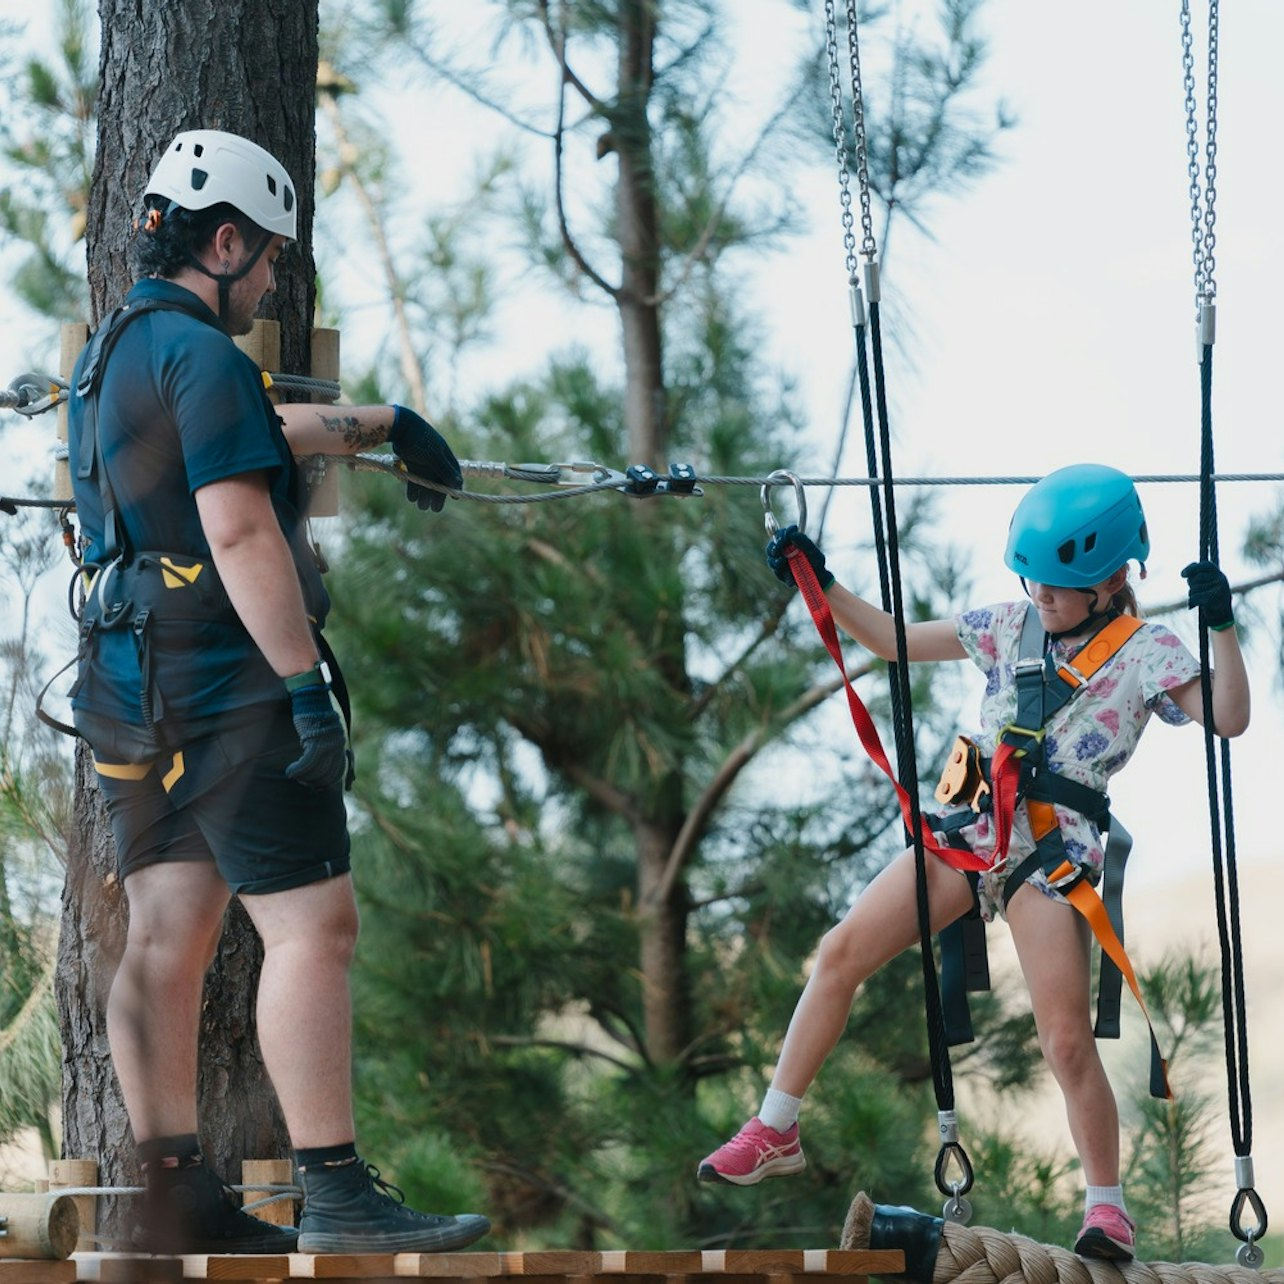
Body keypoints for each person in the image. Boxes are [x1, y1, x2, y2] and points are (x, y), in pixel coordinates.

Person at [66, 129, 490, 1255]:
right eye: (263, 264)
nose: (265, 286)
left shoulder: (117, 355)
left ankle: (172, 1197)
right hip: (227, 687)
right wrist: (306, 689)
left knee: (165, 930)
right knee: (315, 926)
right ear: (223, 239)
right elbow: (240, 518)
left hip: (128, 688)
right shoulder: (204, 355)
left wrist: (385, 428)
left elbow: (250, 427)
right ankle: (337, 1189)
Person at [696, 463, 1250, 1263]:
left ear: (1113, 579)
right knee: (840, 951)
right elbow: (888, 641)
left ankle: (1107, 1206)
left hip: (1050, 853)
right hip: (971, 831)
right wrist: (819, 580)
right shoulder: (1005, 625)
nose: (1042, 595)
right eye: (1034, 580)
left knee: (1063, 1039)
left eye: (1061, 585)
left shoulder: (1148, 653)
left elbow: (1228, 717)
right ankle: (774, 1126)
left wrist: (1221, 624)